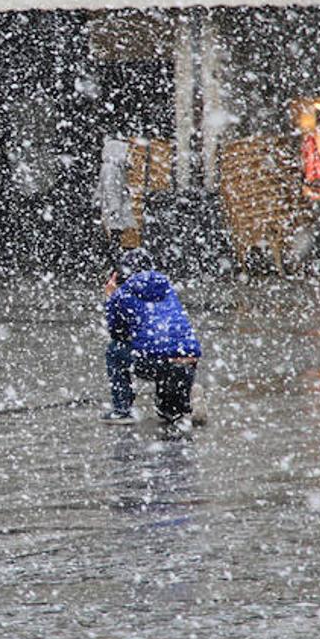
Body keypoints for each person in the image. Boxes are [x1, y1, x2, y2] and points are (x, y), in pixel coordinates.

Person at [102, 246, 202, 428]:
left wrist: (111, 297)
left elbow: (116, 332)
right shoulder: (167, 289)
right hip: (187, 361)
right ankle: (184, 403)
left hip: (157, 361)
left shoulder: (124, 293)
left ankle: (122, 410)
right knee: (170, 414)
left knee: (114, 351)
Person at [96, 136, 135, 266]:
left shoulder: (113, 168)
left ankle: (113, 262)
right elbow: (110, 189)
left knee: (116, 235)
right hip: (114, 210)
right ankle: (114, 263)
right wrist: (114, 207)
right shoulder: (112, 169)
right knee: (115, 235)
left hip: (114, 209)